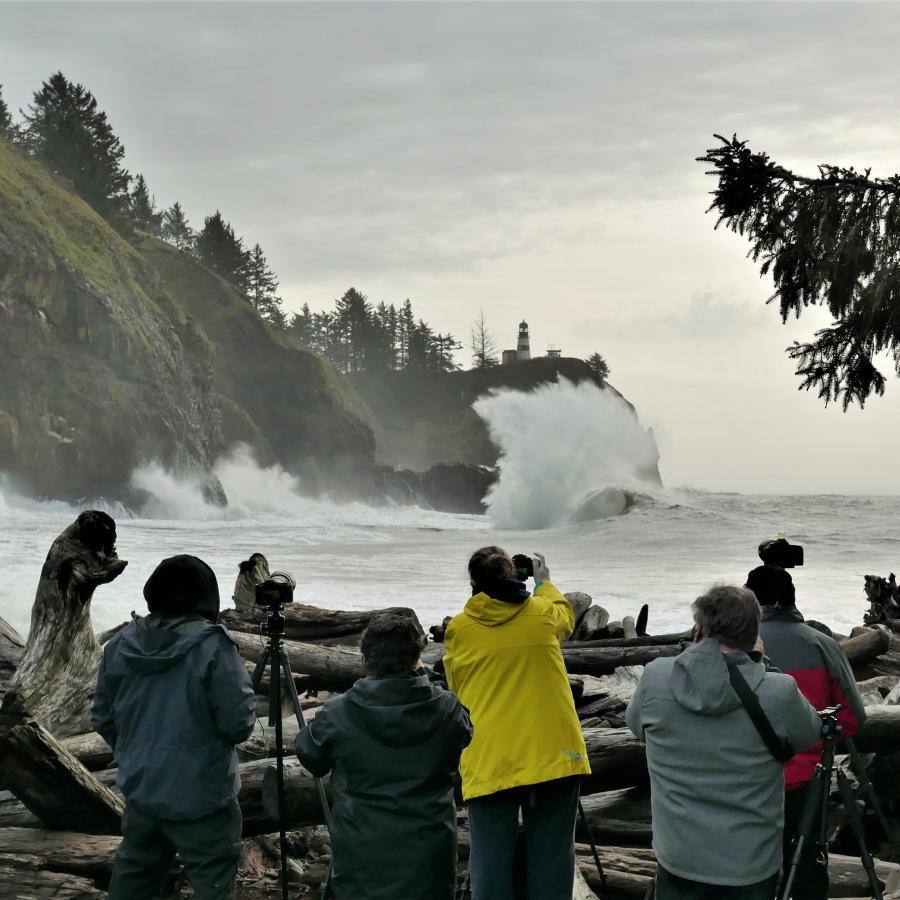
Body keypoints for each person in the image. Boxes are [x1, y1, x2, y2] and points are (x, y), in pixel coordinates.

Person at [626, 584, 822, 899]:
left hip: (678, 855)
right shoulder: (778, 691)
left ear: (698, 630)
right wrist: (760, 663)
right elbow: (810, 734)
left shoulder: (655, 678)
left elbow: (636, 726)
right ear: (754, 634)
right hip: (749, 862)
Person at [92, 555, 257, 900]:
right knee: (213, 882)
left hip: (142, 790)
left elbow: (103, 718)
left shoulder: (121, 643)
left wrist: (134, 753)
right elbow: (238, 724)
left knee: (133, 878)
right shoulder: (214, 646)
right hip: (204, 796)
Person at [442, 546, 589, 900]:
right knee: (552, 859)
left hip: (490, 756)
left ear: (473, 582)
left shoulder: (460, 628)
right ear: (513, 575)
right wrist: (544, 582)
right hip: (553, 753)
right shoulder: (541, 613)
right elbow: (565, 616)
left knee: (490, 862)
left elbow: (455, 686)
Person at [295, 613, 472, 900]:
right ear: (417, 657)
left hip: (361, 851)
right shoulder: (445, 709)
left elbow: (311, 755)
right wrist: (427, 680)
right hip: (429, 851)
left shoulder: (341, 712)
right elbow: (465, 732)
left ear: (366, 658)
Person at [748, 564, 867, 900]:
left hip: (744, 780)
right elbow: (853, 719)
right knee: (808, 867)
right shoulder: (823, 645)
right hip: (806, 782)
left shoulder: (732, 648)